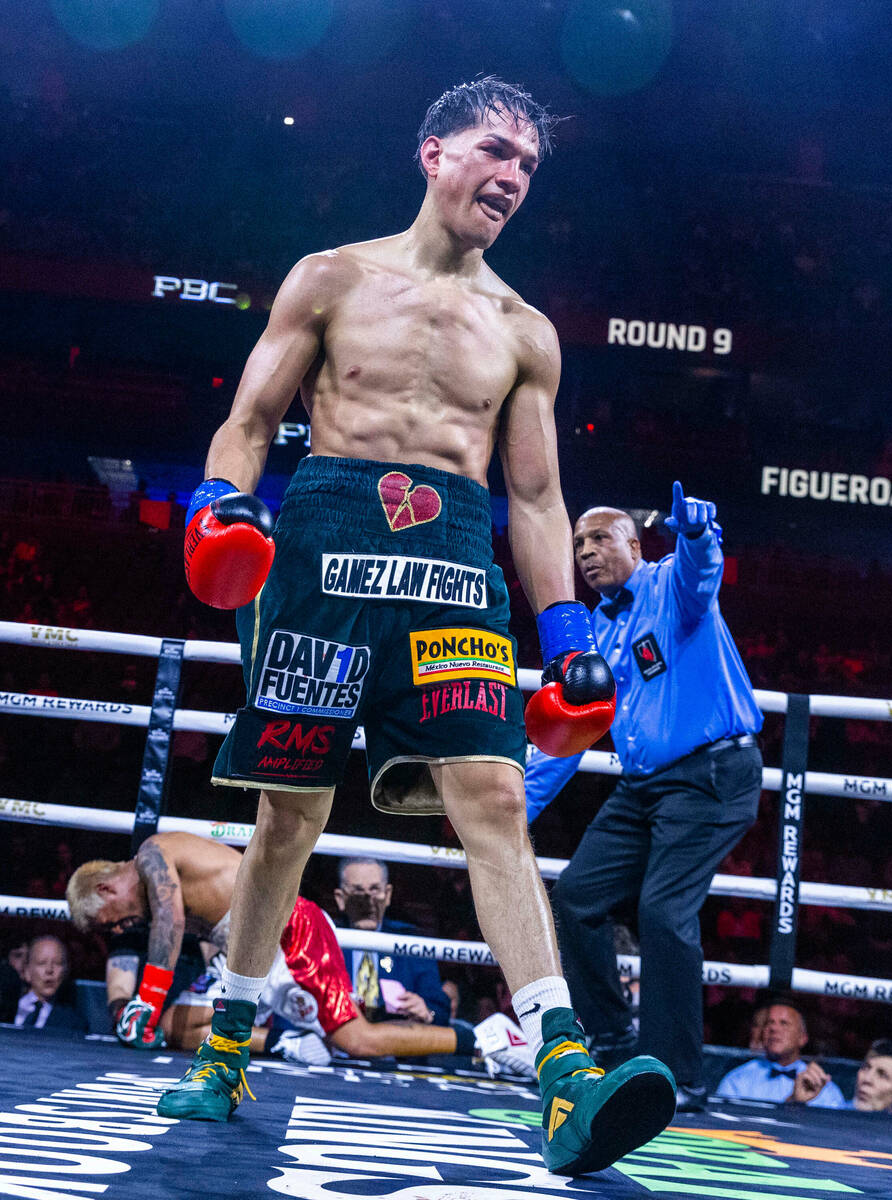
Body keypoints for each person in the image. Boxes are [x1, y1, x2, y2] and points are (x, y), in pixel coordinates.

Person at [158, 76, 676, 1175]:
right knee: (289, 815)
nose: (514, 177)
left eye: (530, 166)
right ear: (433, 152)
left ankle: (563, 1067)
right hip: (322, 550)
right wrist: (220, 502)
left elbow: (534, 501)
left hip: (453, 559)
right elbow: (247, 423)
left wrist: (567, 628)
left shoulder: (524, 329)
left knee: (493, 796)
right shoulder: (332, 276)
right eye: (496, 151)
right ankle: (232, 1043)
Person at [525, 485, 764, 1112]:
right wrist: (513, 811)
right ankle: (610, 1042)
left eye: (599, 538)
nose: (586, 552)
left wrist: (696, 536)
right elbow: (570, 736)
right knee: (576, 899)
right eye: (578, 544)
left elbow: (700, 572)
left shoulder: (670, 589)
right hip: (644, 788)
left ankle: (678, 1075)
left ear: (635, 544)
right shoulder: (595, 630)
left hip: (711, 777)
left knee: (662, 912)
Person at [66, 831, 525, 1071]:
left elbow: (171, 920)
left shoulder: (151, 855)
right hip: (248, 947)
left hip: (291, 932)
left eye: (115, 920)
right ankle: (287, 1041)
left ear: (106, 888)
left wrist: (147, 994)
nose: (126, 927)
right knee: (174, 1026)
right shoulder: (162, 878)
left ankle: (487, 1037)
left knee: (355, 1040)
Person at [333, 856, 450, 1026]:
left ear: (387, 895)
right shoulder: (323, 942)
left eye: (374, 890)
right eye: (358, 891)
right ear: (340, 898)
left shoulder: (412, 943)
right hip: (335, 1045)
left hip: (398, 1046)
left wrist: (426, 1011)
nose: (368, 901)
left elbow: (440, 1010)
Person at [715, 1001, 845, 1107]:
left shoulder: (822, 1087)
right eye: (769, 1023)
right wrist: (792, 1101)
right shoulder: (737, 1080)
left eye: (784, 1023)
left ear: (802, 1038)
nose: (774, 1028)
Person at [789, 1038, 892, 1113]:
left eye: (882, 1075)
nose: (867, 1079)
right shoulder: (831, 1113)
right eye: (865, 1068)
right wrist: (796, 1102)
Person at [12, 935, 87, 1032]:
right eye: (41, 963)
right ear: (27, 971)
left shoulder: (74, 1023)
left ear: (66, 971)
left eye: (58, 963)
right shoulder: (7, 1007)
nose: (49, 970)